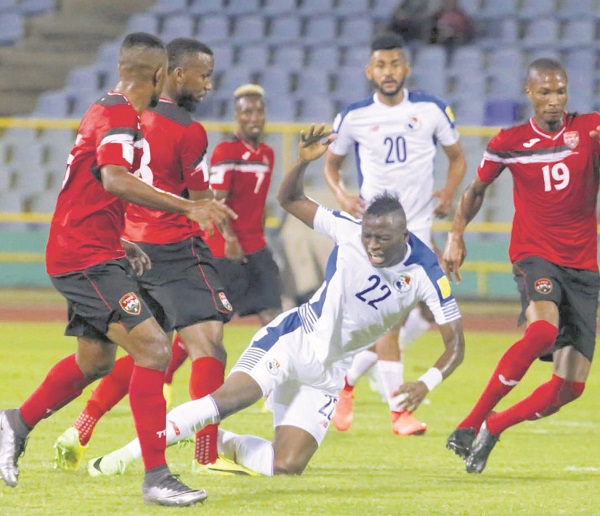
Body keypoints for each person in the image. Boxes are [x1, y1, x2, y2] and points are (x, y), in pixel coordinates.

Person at [82, 124, 465, 478]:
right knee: (225, 401)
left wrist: (427, 382)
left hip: (329, 374)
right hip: (292, 341)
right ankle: (123, 457)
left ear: (404, 236)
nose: (372, 246)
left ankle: (217, 441)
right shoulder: (349, 230)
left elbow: (456, 345)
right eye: (368, 237)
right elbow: (290, 199)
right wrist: (302, 161)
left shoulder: (427, 273)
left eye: (382, 239)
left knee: (285, 467)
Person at [0, 32, 234, 507]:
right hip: (83, 257)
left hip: (94, 250)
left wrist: (122, 239)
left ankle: (14, 424)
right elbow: (114, 178)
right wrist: (187, 209)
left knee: (96, 362)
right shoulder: (122, 116)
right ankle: (157, 477)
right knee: (153, 350)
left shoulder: (104, 107)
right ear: (159, 75)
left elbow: (91, 186)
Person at [52, 37, 243, 477]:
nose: (209, 84)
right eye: (203, 74)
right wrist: (209, 200)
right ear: (174, 74)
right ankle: (206, 456)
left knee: (150, 349)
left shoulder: (128, 114)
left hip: (132, 246)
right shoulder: (190, 131)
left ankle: (82, 426)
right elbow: (197, 198)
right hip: (176, 247)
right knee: (207, 343)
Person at [443, 58, 600, 474]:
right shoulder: (508, 141)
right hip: (536, 254)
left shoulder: (590, 130)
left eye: (560, 91)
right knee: (543, 330)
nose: (553, 100)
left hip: (584, 266)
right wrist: (457, 235)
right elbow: (476, 190)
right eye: (545, 92)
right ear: (528, 93)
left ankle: (494, 427)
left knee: (570, 387)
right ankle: (469, 423)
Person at [323, 33, 466, 435]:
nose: (388, 72)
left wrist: (448, 191)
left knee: (406, 316)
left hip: (418, 228)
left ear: (406, 69)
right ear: (370, 71)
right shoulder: (353, 116)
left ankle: (347, 383)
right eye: (380, 65)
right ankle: (398, 411)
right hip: (379, 234)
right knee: (389, 320)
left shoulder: (432, 110)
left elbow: (457, 158)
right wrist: (342, 195)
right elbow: (330, 166)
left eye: (395, 64)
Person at [205, 83, 283, 326]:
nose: (254, 118)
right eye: (247, 112)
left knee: (273, 316)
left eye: (258, 112)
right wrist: (230, 238)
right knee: (210, 325)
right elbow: (216, 202)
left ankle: (276, 365)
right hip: (225, 249)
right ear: (237, 116)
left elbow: (258, 205)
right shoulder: (225, 151)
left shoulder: (268, 154)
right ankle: (163, 364)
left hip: (256, 246)